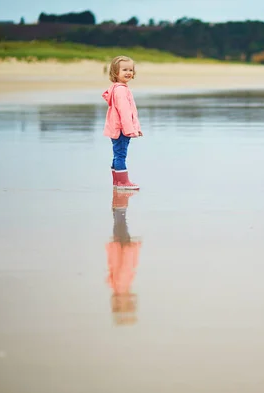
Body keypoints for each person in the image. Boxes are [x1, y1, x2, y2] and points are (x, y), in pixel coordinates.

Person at [102, 55, 143, 190]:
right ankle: (122, 182)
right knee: (120, 155)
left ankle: (117, 181)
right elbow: (125, 112)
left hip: (118, 128)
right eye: (124, 70)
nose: (128, 73)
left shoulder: (117, 88)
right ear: (115, 72)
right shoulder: (120, 90)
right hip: (121, 129)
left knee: (117, 154)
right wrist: (130, 129)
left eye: (130, 70)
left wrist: (134, 127)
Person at [106, 189, 142, 325]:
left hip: (120, 246)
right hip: (122, 246)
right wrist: (130, 248)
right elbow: (126, 266)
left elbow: (121, 266)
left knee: (120, 221)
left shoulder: (119, 286)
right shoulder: (120, 286)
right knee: (120, 220)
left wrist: (128, 248)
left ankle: (119, 201)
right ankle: (118, 201)